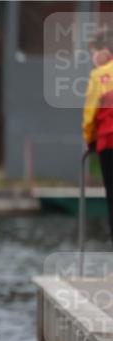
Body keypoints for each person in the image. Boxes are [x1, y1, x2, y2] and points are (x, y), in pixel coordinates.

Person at [83, 28, 113, 244]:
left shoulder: (100, 75)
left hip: (108, 142)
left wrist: (90, 141)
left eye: (93, 52)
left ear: (105, 51)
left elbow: (90, 115)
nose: (93, 58)